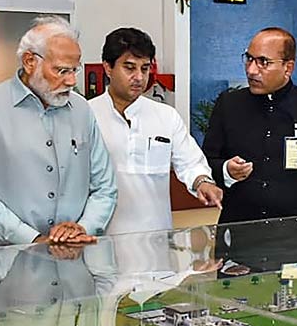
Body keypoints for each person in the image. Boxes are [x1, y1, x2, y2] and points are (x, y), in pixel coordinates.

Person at [0, 15, 117, 249]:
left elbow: (105, 185)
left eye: (74, 70)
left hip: (72, 262)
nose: (71, 80)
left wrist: (83, 228)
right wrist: (30, 239)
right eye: (62, 71)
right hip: (5, 263)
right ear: (30, 61)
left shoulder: (81, 109)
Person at [202, 27, 297, 224]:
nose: (251, 70)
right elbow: (206, 160)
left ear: (288, 67)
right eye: (249, 59)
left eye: (263, 62)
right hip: (239, 230)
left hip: (294, 234)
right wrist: (226, 169)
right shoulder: (229, 104)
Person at [89, 27, 222, 235]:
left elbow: (190, 162)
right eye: (129, 68)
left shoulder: (166, 116)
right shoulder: (86, 115)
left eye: (144, 68)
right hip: (101, 238)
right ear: (107, 67)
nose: (139, 77)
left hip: (155, 237)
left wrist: (203, 182)